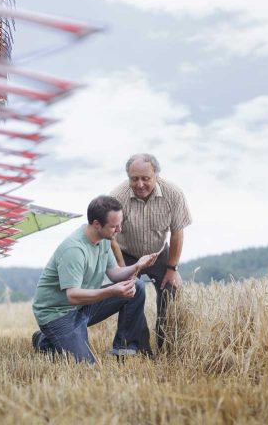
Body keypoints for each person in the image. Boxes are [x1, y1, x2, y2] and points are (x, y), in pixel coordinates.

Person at [31, 195, 158, 364]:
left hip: (83, 306)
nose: (119, 229)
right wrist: (112, 291)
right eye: (114, 226)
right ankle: (44, 340)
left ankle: (124, 350)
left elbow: (114, 273)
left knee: (138, 287)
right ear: (97, 224)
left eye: (120, 224)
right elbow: (73, 296)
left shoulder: (104, 239)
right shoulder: (74, 249)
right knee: (86, 365)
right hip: (57, 314)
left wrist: (137, 266)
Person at [110, 153, 192, 352]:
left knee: (170, 292)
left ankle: (165, 346)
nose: (139, 184)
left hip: (158, 252)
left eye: (145, 178)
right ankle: (143, 349)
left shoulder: (173, 194)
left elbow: (177, 233)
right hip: (127, 253)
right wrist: (123, 270)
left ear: (156, 175)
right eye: (134, 179)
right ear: (128, 176)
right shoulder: (116, 197)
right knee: (131, 293)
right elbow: (111, 237)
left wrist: (172, 268)